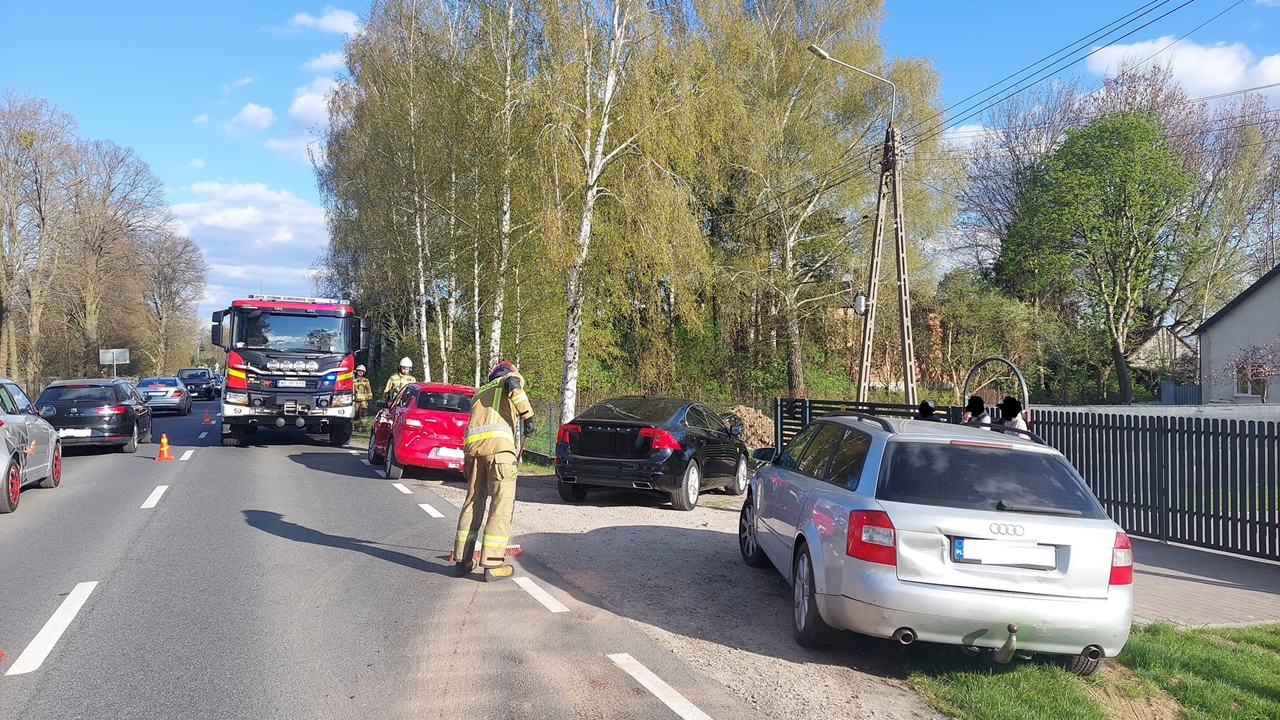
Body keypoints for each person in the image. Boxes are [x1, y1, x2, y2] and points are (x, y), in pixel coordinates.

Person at [454, 360, 535, 581]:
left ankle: (463, 560)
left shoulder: (481, 391)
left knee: (472, 503)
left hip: (473, 453)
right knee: (501, 505)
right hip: (500, 452)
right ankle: (492, 564)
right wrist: (528, 415)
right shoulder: (509, 379)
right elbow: (514, 386)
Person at [352, 365, 373, 431]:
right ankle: (357, 427)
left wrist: (370, 398)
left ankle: (364, 427)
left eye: (362, 371)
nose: (360, 372)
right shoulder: (353, 380)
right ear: (357, 371)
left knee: (364, 413)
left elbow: (369, 390)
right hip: (355, 400)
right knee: (356, 414)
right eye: (359, 371)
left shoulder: (366, 381)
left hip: (364, 400)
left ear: (364, 372)